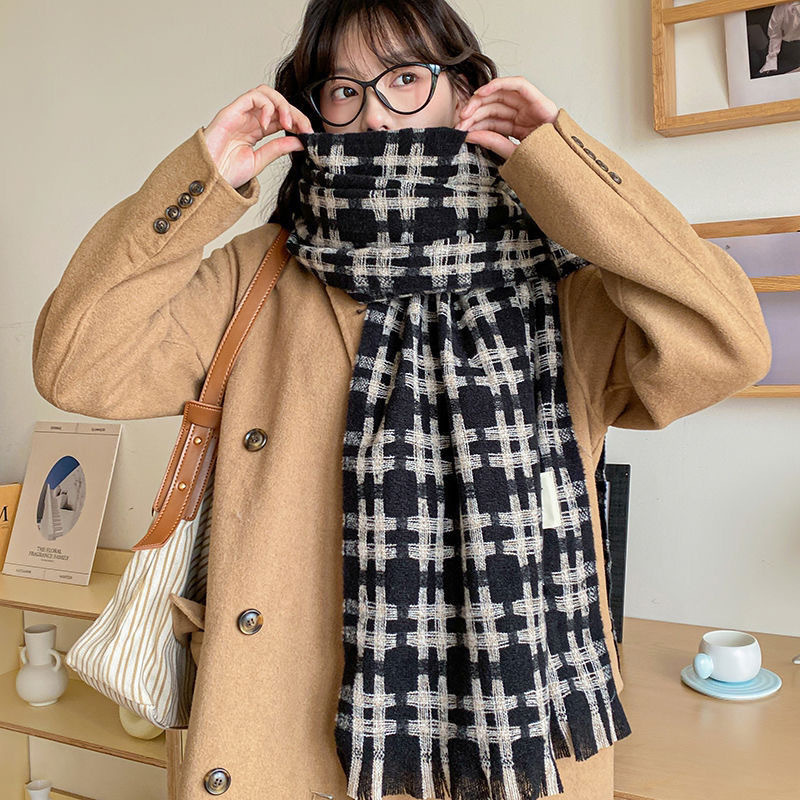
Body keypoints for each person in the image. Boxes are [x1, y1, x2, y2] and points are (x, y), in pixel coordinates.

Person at [31, 1, 771, 799]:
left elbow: (727, 345)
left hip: (510, 742)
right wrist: (200, 179)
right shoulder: (258, 272)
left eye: (406, 79)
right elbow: (78, 366)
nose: (377, 115)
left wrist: (568, 165)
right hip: (281, 729)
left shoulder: (563, 282)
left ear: (465, 93)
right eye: (344, 90)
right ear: (316, 110)